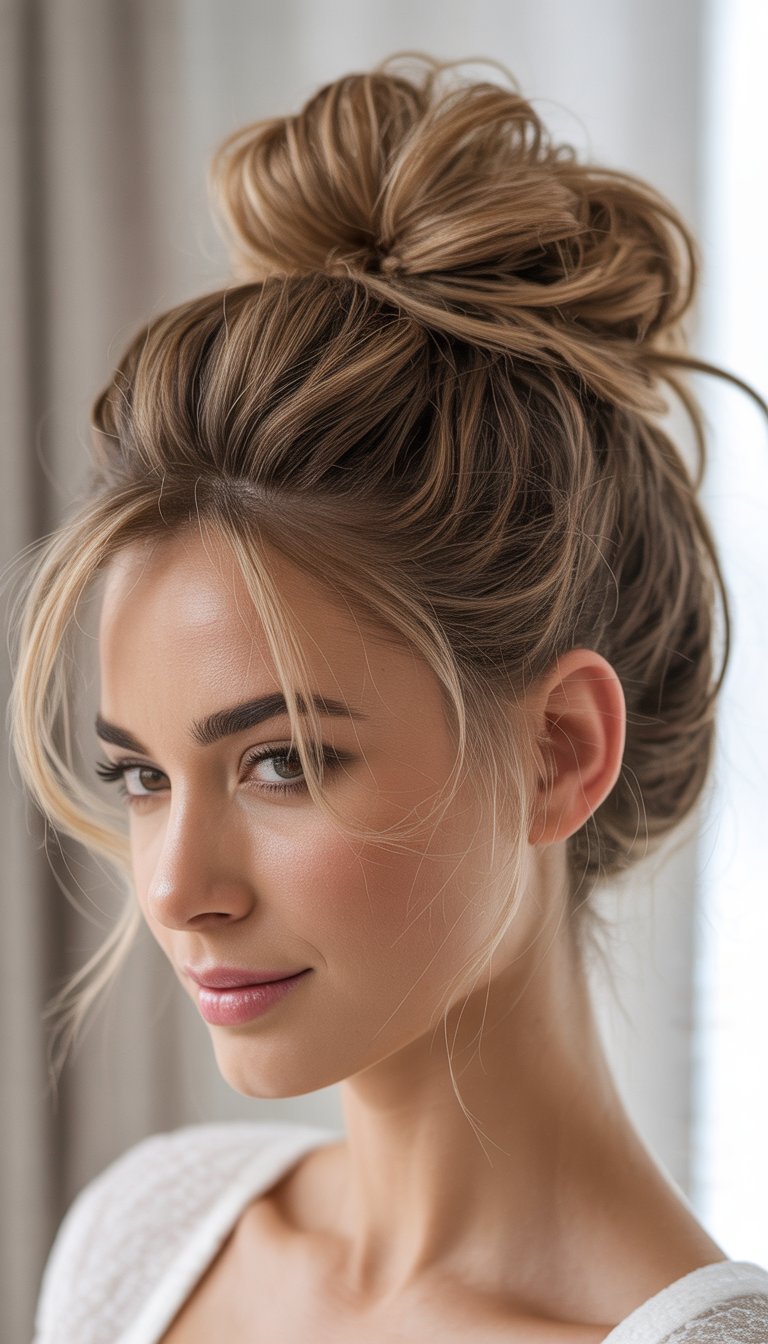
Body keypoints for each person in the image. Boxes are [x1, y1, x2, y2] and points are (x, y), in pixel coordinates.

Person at [10, 52, 768, 1344]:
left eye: (284, 762)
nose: (177, 886)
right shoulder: (144, 1245)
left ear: (560, 755)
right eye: (141, 775)